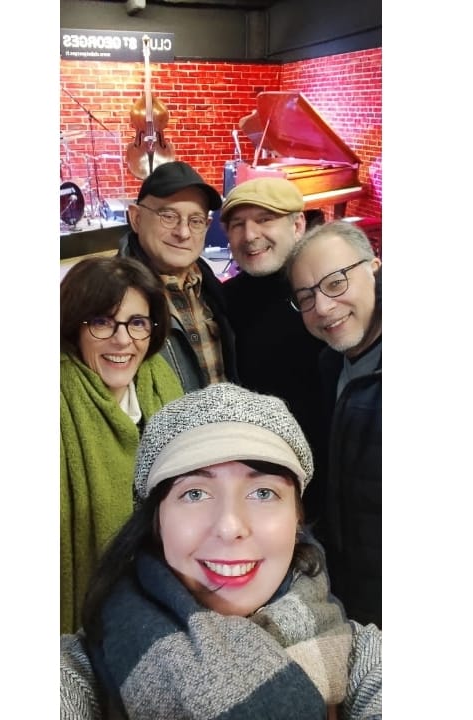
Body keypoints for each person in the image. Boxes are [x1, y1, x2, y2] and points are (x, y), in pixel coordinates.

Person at [61, 383, 382, 720]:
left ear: (297, 519)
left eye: (263, 493)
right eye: (195, 494)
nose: (230, 527)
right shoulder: (79, 671)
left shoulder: (362, 657)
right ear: (156, 522)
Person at [60, 255, 184, 634]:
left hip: (158, 598)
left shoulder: (160, 379)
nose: (123, 339)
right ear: (73, 327)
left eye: (137, 323)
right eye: (102, 322)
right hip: (96, 614)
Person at [286, 220, 381, 628]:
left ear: (374, 268)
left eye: (336, 282)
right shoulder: (332, 363)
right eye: (306, 297)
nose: (322, 307)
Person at [220, 178, 328, 526]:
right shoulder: (223, 300)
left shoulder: (331, 290)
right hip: (261, 478)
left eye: (265, 219)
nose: (250, 235)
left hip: (336, 480)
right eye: (237, 224)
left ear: (297, 225)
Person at [118, 160, 238, 391]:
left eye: (196, 221)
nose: (183, 233)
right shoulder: (110, 295)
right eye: (168, 216)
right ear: (136, 218)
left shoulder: (211, 287)